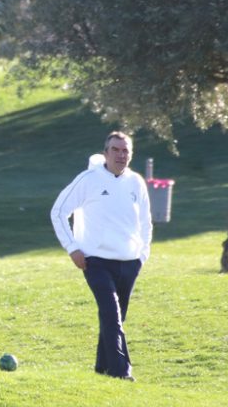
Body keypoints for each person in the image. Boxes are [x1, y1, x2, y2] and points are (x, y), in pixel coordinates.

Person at [50, 132, 152, 381]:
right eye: (115, 150)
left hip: (129, 261)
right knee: (110, 313)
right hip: (95, 261)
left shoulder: (136, 182)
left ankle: (102, 368)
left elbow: (145, 221)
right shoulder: (88, 179)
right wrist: (72, 248)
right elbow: (58, 211)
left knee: (116, 317)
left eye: (125, 150)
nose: (120, 155)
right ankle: (121, 371)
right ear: (105, 153)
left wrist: (142, 254)